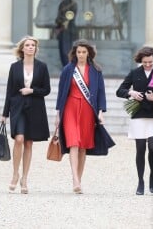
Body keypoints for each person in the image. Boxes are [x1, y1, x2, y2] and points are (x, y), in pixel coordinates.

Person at [55, 39, 106, 194]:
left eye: (84, 52)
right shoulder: (68, 70)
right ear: (75, 53)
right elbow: (61, 92)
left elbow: (101, 92)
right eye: (79, 52)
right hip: (70, 107)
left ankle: (79, 179)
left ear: (89, 53)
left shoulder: (96, 70)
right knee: (73, 142)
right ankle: (75, 179)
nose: (81, 55)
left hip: (88, 110)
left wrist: (101, 112)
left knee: (83, 146)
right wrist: (58, 114)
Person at [1, 35, 51, 194]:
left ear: (36, 49)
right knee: (19, 139)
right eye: (27, 45)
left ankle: (25, 178)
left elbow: (46, 89)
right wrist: (4, 113)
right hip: (17, 108)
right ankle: (15, 174)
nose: (30, 47)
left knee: (29, 143)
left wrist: (32, 91)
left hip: (35, 108)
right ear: (22, 49)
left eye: (33, 45)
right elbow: (9, 91)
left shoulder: (42, 67)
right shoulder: (14, 67)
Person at [116, 46, 153, 195]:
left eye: (150, 62)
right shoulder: (135, 73)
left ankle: (152, 175)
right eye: (145, 62)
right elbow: (120, 90)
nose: (148, 64)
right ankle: (140, 182)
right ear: (140, 61)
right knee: (140, 150)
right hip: (139, 115)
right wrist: (131, 92)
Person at [55, 0, 78, 67]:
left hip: (68, 31)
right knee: (62, 53)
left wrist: (60, 27)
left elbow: (69, 17)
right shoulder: (62, 4)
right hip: (61, 31)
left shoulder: (72, 3)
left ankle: (69, 72)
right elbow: (58, 17)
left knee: (66, 53)